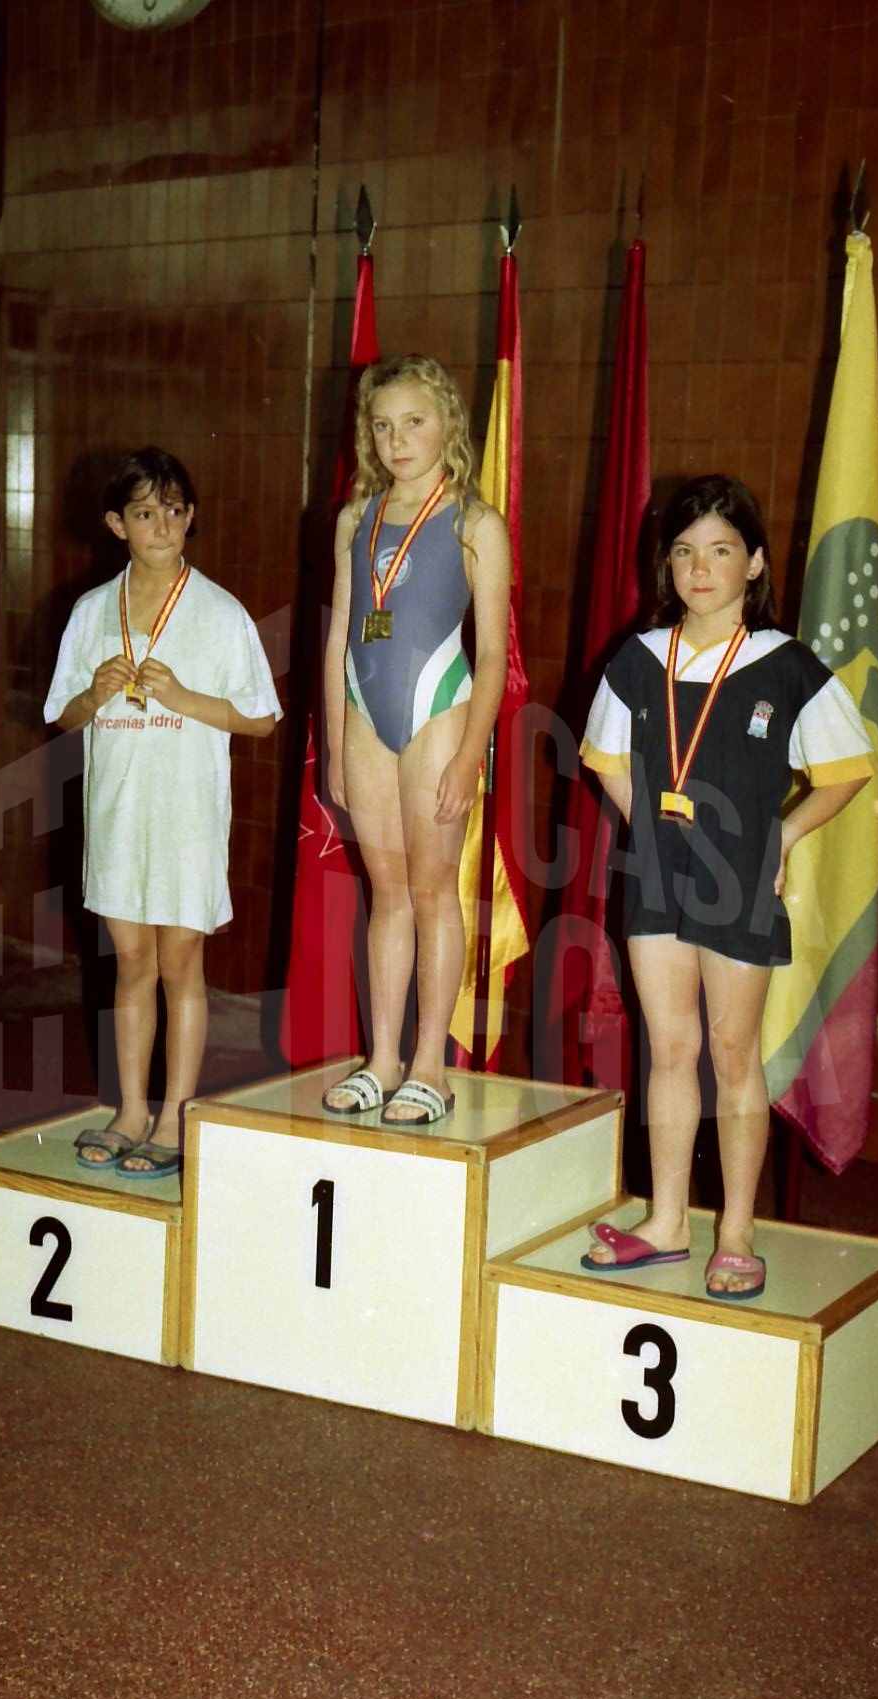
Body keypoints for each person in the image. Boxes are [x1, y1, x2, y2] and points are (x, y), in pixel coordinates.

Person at [579, 475, 872, 1299]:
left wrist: (784, 834)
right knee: (670, 1049)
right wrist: (650, 829)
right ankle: (668, 1221)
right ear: (666, 565)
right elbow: (605, 760)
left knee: (734, 1053)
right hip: (658, 878)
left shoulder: (785, 666)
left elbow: (847, 770)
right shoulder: (640, 658)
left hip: (739, 881)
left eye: (720, 551)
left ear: (756, 564)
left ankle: (736, 1233)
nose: (700, 570)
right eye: (684, 552)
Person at [44, 448, 281, 1177]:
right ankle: (130, 1110)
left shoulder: (219, 613)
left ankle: (177, 1112)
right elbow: (62, 716)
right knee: (131, 963)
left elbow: (261, 718)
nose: (163, 527)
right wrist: (94, 695)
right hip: (119, 813)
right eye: (145, 513)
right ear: (117, 524)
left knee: (180, 962)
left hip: (186, 816)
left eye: (174, 511)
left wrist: (182, 698)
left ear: (191, 516)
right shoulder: (92, 612)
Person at [321, 355, 510, 1125]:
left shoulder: (474, 522)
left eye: (414, 423)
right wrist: (336, 740)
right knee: (388, 893)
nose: (397, 441)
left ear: (447, 425)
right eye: (383, 426)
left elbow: (493, 654)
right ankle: (382, 1058)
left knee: (433, 892)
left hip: (438, 714)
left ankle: (431, 1064)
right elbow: (340, 631)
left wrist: (468, 756)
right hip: (365, 717)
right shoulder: (355, 518)